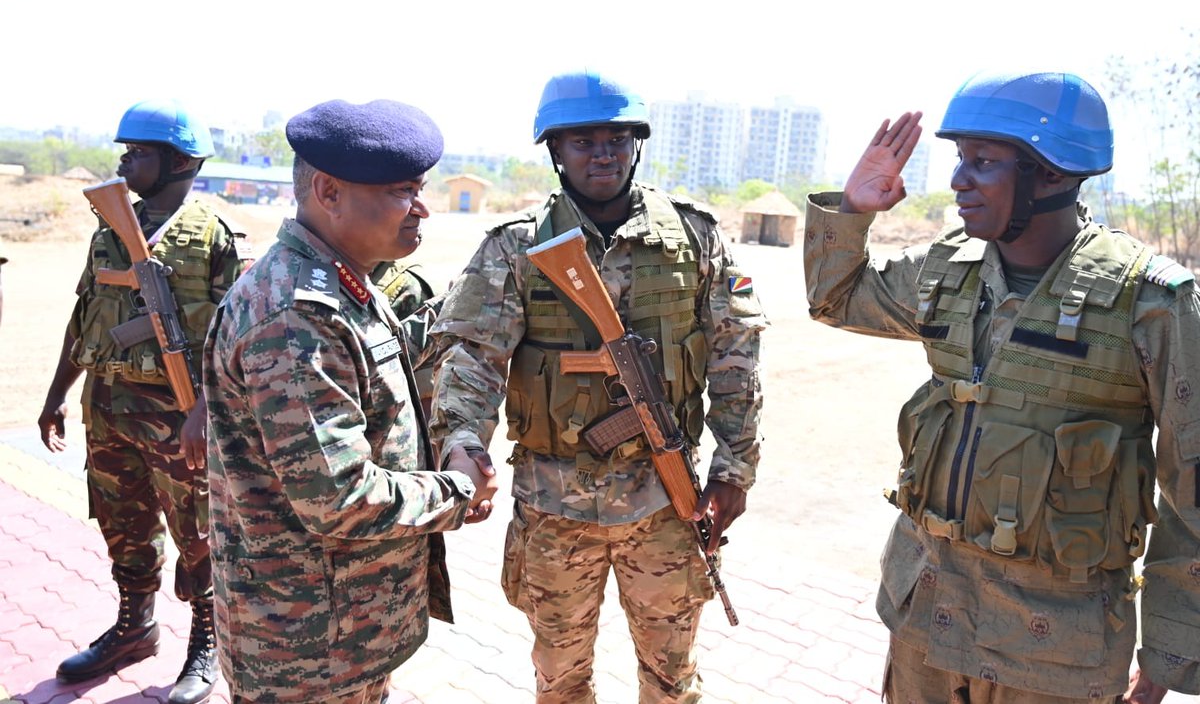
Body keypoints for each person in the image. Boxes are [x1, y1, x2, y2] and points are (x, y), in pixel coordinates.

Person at [803, 70, 1200, 702]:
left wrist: (1167, 656)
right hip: (925, 618)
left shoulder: (1150, 303)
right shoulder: (948, 269)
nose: (959, 180)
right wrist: (852, 212)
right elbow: (836, 299)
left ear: (1051, 173)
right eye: (961, 159)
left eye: (983, 163)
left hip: (1055, 653)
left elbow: (1192, 487)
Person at [426, 69, 768, 703]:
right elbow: (471, 359)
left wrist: (735, 468)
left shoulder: (693, 237)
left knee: (673, 679)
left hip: (666, 501)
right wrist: (461, 444)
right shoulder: (519, 247)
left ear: (637, 143)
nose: (602, 153)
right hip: (554, 506)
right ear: (555, 150)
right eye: (582, 140)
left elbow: (735, 355)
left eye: (615, 138)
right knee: (560, 680)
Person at [203, 98, 499, 704]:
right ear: (328, 191)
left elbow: (376, 362)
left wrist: (471, 306)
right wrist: (457, 488)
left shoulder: (337, 280)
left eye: (419, 188)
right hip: (306, 651)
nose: (421, 208)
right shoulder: (295, 316)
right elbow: (338, 499)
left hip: (342, 631)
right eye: (400, 191)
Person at [37, 99, 250, 704]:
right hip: (107, 408)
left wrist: (205, 412)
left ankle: (207, 645)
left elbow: (236, 338)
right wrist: (59, 394)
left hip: (177, 416)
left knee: (200, 536)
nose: (125, 162)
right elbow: (86, 319)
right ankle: (135, 627)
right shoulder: (110, 226)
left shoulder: (216, 234)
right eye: (124, 152)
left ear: (180, 161)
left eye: (139, 153)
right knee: (123, 526)